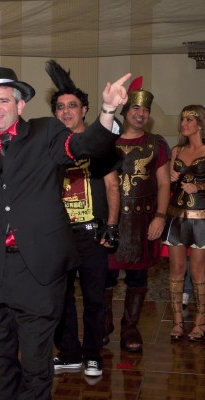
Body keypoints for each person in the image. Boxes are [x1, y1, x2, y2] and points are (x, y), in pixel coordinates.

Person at [0, 66, 130, 399]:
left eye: (3, 100)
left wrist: (108, 111)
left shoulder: (46, 132)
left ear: (20, 104)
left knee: (35, 361)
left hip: (39, 268)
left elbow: (84, 146)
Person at [44, 60, 121, 379]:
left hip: (92, 234)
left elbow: (113, 185)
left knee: (93, 299)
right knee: (59, 299)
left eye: (72, 106)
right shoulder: (50, 147)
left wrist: (112, 225)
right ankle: (69, 354)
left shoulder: (99, 144)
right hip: (59, 236)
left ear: (85, 110)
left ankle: (92, 355)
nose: (66, 112)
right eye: (60, 107)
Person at [103, 77, 170, 352]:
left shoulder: (156, 143)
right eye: (136, 108)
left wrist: (160, 216)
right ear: (124, 110)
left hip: (143, 221)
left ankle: (130, 327)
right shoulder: (106, 141)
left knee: (138, 277)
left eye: (145, 110)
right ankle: (104, 325)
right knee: (105, 277)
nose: (141, 114)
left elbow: (164, 183)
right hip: (112, 220)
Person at [162, 104, 205, 341]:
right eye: (182, 119)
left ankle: (200, 322)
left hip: (201, 218)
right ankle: (177, 322)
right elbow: (166, 184)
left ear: (200, 124)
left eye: (189, 119)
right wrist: (170, 178)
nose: (184, 124)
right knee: (176, 269)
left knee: (198, 271)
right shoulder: (176, 150)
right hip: (176, 216)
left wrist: (199, 186)